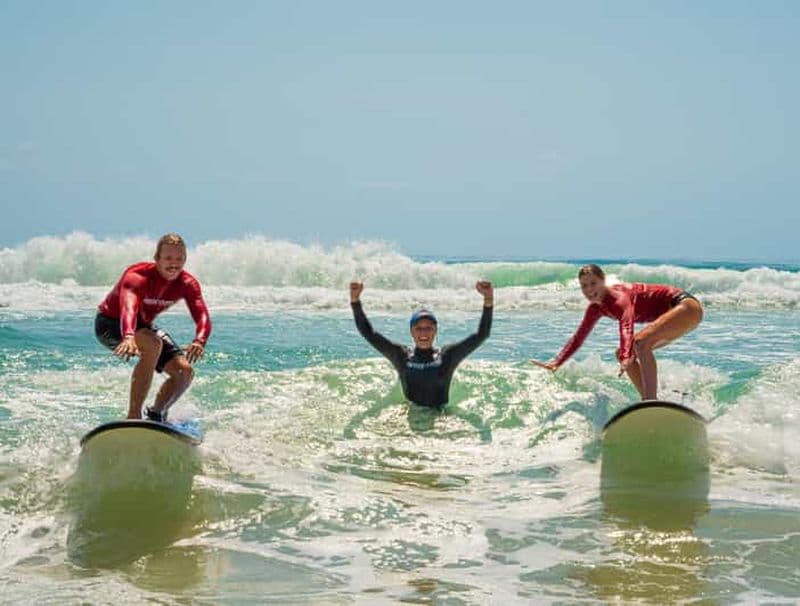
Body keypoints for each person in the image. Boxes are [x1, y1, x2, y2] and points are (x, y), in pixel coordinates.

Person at [532, 264, 702, 400]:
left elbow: (626, 326)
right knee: (621, 353)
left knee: (640, 343)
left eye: (593, 283)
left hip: (685, 307)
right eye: (584, 286)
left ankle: (650, 400)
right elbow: (579, 337)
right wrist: (557, 362)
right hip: (677, 317)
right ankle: (654, 398)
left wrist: (629, 355)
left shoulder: (619, 298)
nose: (589, 290)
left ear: (603, 281)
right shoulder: (595, 309)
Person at [94, 233, 211, 421]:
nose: (174, 264)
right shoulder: (137, 276)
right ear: (157, 259)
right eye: (168, 258)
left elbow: (202, 314)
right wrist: (129, 336)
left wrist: (200, 340)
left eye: (179, 259)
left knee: (184, 372)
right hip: (111, 323)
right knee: (153, 343)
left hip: (143, 326)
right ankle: (133, 416)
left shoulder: (187, 284)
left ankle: (157, 413)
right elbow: (129, 307)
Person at [349, 280, 493, 408]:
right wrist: (355, 301)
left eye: (428, 328)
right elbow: (369, 334)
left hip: (441, 421)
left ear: (435, 331)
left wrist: (488, 299)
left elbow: (482, 335)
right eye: (418, 328)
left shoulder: (447, 356)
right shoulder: (402, 355)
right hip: (411, 419)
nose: (423, 333)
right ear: (412, 332)